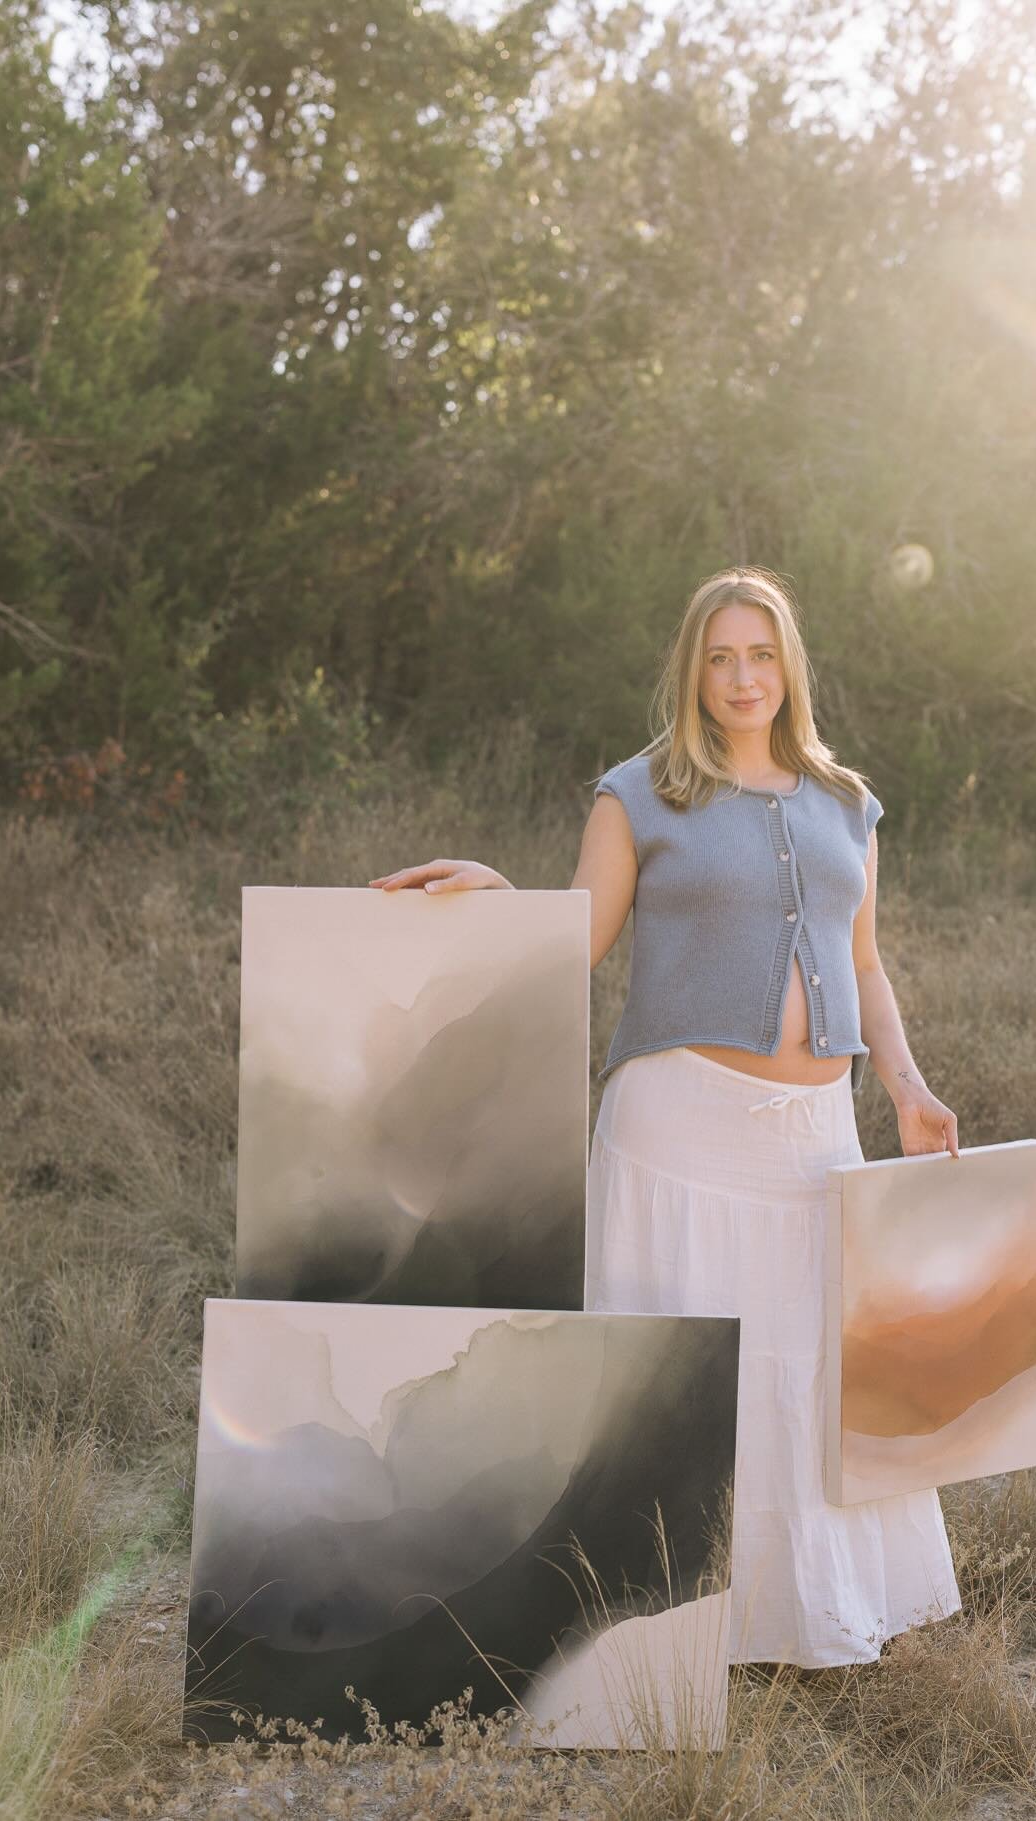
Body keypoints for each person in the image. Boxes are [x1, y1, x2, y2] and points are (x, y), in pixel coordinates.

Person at [369, 565, 963, 1670]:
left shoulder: (846, 802)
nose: (742, 678)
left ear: (789, 666)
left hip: (817, 1139)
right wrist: (503, 897)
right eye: (720, 658)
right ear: (692, 671)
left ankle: (793, 1618)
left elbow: (867, 963)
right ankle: (658, 1642)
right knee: (670, 1375)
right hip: (678, 1131)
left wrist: (907, 1085)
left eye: (761, 655)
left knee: (803, 1370)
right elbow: (576, 941)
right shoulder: (639, 794)